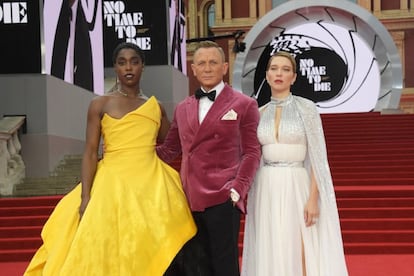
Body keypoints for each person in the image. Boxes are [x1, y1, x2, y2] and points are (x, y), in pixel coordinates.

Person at [24, 42, 196, 276]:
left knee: (150, 242)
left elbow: (175, 142)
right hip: (111, 184)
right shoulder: (100, 104)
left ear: (142, 66)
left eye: (134, 61)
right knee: (106, 246)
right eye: (122, 62)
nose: (129, 67)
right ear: (114, 67)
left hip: (153, 185)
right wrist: (85, 197)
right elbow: (90, 151)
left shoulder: (155, 107)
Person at [157, 40, 261, 276]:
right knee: (194, 267)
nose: (207, 68)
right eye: (201, 63)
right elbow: (168, 151)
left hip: (223, 199)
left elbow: (252, 152)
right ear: (193, 69)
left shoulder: (244, 104)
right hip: (188, 201)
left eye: (213, 62)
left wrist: (237, 190)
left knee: (224, 267)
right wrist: (128, 152)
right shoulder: (182, 107)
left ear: (225, 67)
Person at [241, 51, 348, 276]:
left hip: (297, 183)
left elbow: (318, 158)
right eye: (274, 69)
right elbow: (251, 156)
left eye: (286, 69)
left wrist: (312, 199)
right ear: (267, 75)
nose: (279, 73)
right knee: (271, 245)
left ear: (294, 77)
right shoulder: (258, 113)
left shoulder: (307, 108)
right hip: (266, 187)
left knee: (301, 245)